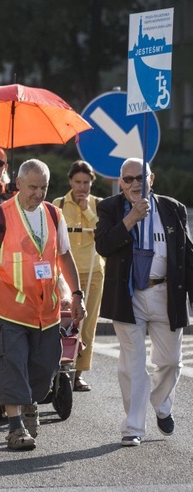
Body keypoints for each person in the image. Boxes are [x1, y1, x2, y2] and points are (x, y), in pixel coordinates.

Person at [0, 158, 85, 451]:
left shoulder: (53, 214)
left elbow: (64, 256)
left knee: (45, 367)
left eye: (43, 187)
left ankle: (30, 402)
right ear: (18, 184)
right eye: (32, 187)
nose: (38, 193)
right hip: (8, 308)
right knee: (11, 365)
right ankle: (15, 427)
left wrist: (77, 294)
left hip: (46, 311)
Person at [95, 158, 193, 447]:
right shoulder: (111, 208)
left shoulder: (172, 208)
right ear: (120, 182)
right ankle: (133, 427)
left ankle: (161, 404)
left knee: (171, 362)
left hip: (167, 295)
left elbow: (186, 253)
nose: (135, 184)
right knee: (132, 365)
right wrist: (130, 220)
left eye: (141, 178)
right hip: (129, 297)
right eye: (128, 179)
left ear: (153, 178)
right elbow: (103, 245)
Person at [52, 160, 104, 391]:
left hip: (93, 271)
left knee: (87, 324)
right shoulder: (59, 203)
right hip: (65, 275)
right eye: (77, 182)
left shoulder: (99, 204)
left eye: (86, 183)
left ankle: (79, 373)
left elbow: (104, 233)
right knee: (62, 321)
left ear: (92, 182)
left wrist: (87, 211)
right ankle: (58, 366)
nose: (82, 187)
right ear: (70, 182)